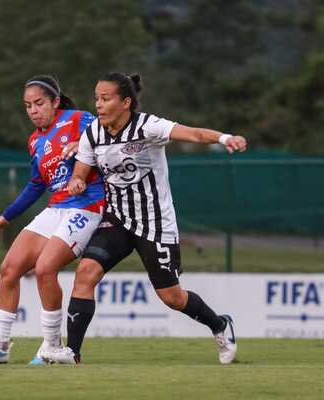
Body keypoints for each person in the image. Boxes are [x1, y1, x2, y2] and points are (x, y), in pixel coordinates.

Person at [39, 72, 247, 365]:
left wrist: (226, 138)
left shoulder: (148, 126)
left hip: (155, 223)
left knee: (172, 297)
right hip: (118, 221)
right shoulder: (92, 135)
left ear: (125, 102)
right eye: (97, 98)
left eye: (106, 98)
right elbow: (80, 174)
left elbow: (195, 134)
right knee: (85, 273)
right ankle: (72, 353)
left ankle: (219, 324)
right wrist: (77, 182)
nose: (98, 104)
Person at [0, 75, 105, 364]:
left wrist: (82, 143)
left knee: (45, 268)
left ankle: (52, 346)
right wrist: (5, 216)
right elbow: (36, 184)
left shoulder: (78, 119)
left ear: (55, 101)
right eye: (27, 106)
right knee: (9, 268)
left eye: (39, 103)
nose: (33, 110)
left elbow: (108, 135)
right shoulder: (35, 140)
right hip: (56, 208)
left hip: (87, 206)